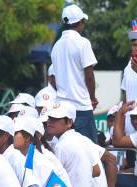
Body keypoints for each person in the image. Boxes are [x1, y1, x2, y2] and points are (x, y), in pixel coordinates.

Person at [50, 4, 98, 142]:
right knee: (90, 152)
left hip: (61, 109)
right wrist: (92, 97)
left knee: (65, 149)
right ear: (80, 22)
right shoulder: (82, 43)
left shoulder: (56, 46)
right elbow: (89, 76)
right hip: (81, 107)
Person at [13, 116, 79, 187]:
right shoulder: (29, 156)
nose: (12, 137)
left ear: (28, 138)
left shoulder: (38, 160)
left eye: (15, 133)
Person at [43, 101, 100, 187]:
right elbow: (96, 171)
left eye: (55, 119)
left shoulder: (61, 146)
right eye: (49, 118)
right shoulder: (84, 139)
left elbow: (53, 181)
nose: (49, 122)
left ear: (69, 122)